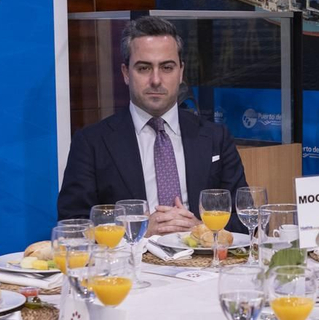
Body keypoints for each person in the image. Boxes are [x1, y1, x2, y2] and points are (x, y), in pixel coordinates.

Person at [57, 16, 249, 234]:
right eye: (144, 68)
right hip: (131, 265)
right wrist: (139, 230)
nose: (156, 80)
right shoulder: (92, 143)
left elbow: (246, 220)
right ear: (125, 73)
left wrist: (201, 229)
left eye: (167, 67)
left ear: (181, 73)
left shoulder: (216, 137)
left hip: (204, 263)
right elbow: (71, 225)